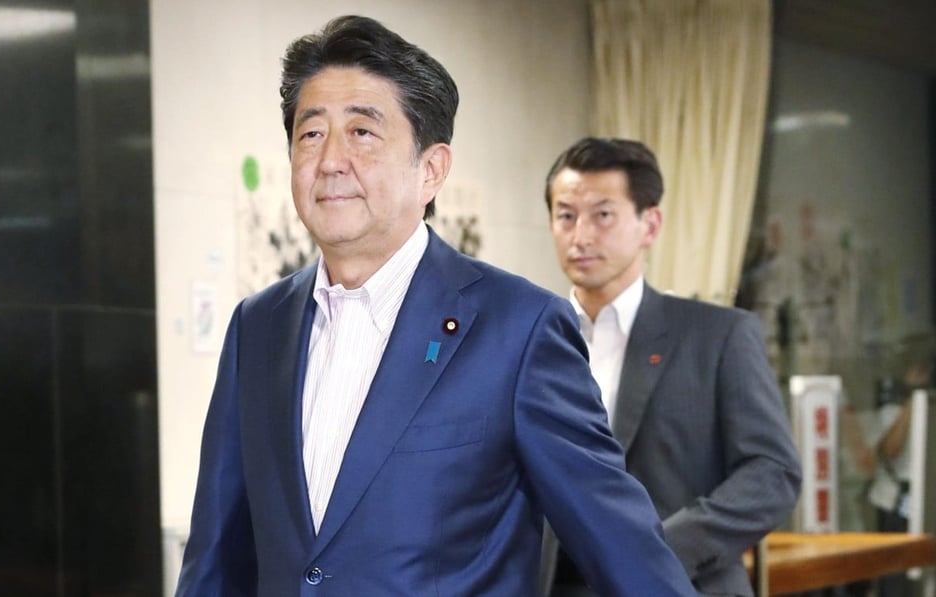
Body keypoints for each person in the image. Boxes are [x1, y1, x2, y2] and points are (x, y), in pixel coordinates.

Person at [175, 16, 696, 597]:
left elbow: (621, 545)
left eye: (363, 133)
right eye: (311, 133)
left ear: (431, 169)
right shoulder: (258, 326)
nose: (330, 160)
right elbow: (216, 551)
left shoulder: (517, 329)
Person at [541, 137, 802, 597]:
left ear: (650, 223)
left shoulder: (718, 336)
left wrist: (658, 551)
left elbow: (772, 472)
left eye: (603, 215)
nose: (581, 235)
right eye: (566, 216)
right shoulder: (529, 339)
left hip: (682, 581)